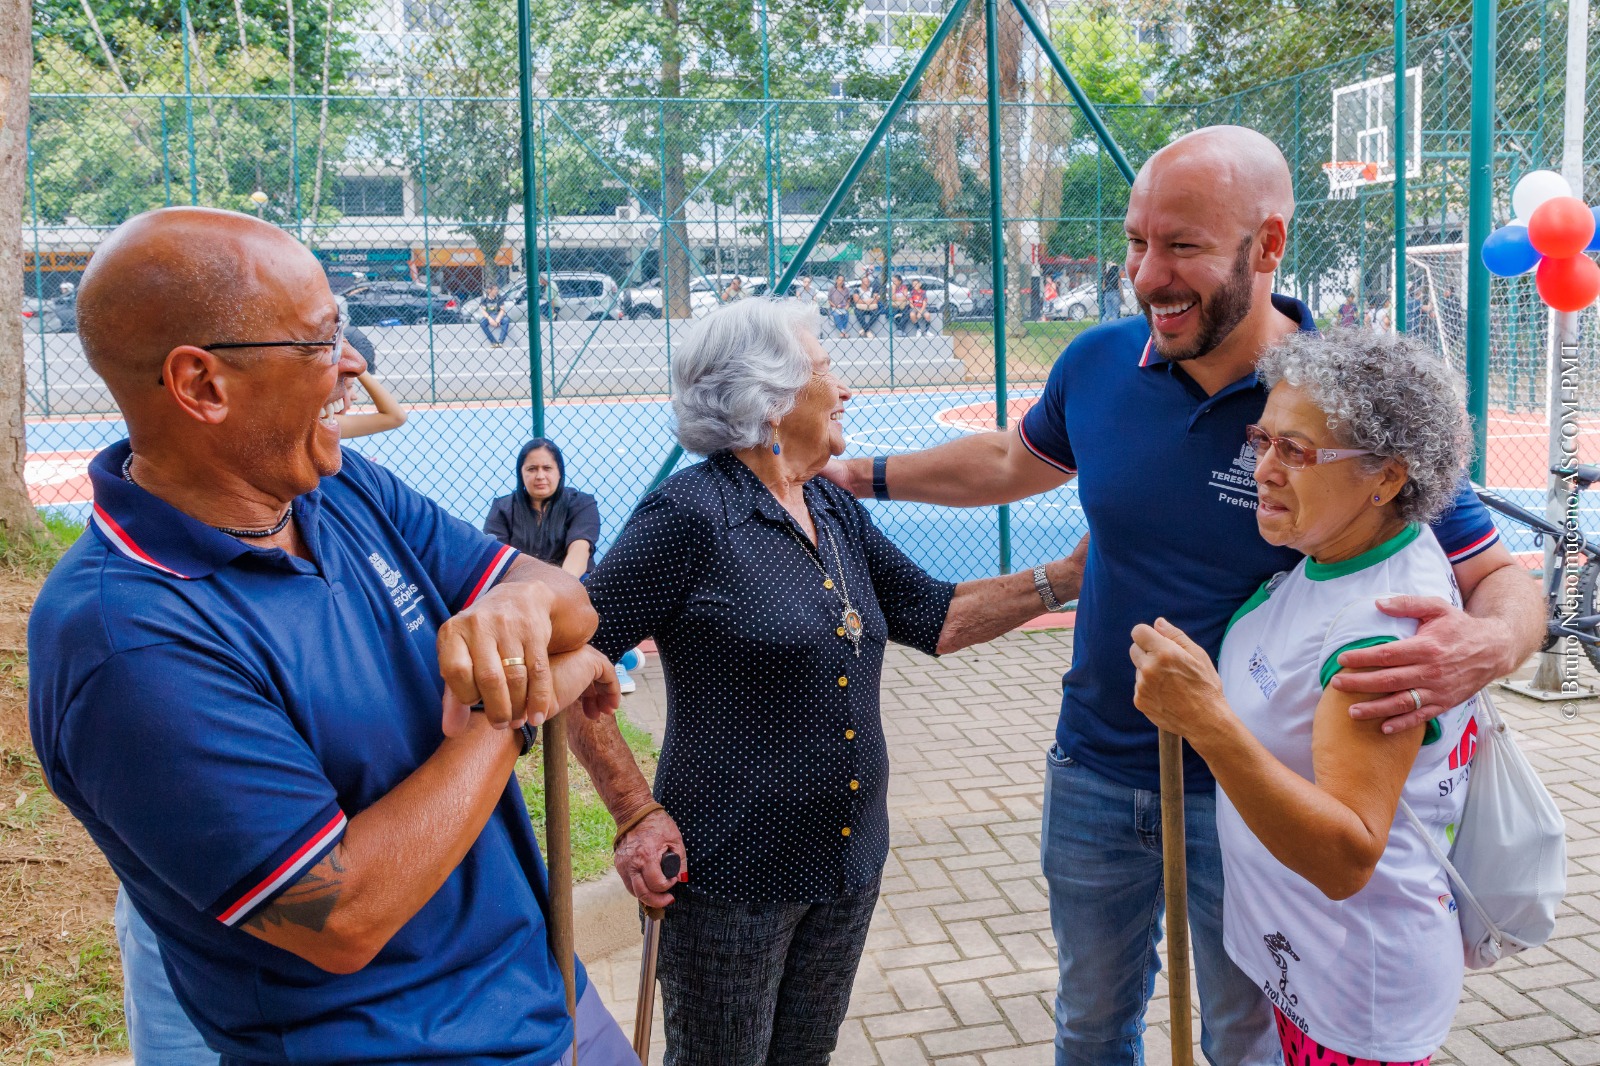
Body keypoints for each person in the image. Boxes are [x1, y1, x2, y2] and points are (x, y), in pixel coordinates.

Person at [822, 126, 1544, 1066]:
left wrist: (1487, 650)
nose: (1149, 274)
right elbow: (1012, 457)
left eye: (1184, 247)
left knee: (1238, 1036)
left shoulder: (1337, 404)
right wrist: (853, 475)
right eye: (1136, 242)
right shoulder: (1099, 362)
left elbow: (1494, 577)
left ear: (1268, 245)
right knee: (1091, 1019)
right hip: (1093, 766)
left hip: (1252, 796)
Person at [28, 206, 636, 1066]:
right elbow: (343, 912)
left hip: (543, 993)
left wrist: (520, 616)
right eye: (318, 341)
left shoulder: (339, 490)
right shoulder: (123, 641)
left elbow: (570, 606)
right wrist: (524, 704)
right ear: (202, 384)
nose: (351, 363)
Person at [570, 297, 1087, 1066]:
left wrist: (1070, 576)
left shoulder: (827, 503)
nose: (844, 390)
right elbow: (572, 660)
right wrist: (634, 810)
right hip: (732, 875)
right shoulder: (690, 515)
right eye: (826, 370)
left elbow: (935, 616)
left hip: (846, 864)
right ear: (772, 399)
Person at [1131, 329, 1475, 1066]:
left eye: (1297, 451)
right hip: (1307, 968)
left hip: (1355, 994)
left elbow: (1347, 855)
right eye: (1264, 440)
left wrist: (1206, 721)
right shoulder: (1340, 555)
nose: (1263, 469)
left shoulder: (1379, 633)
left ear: (1386, 477)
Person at [480, 282, 511, 347]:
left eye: (497, 289)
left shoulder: (499, 297)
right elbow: (483, 311)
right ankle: (493, 342)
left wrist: (498, 319)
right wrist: (490, 320)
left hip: (497, 315)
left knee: (506, 320)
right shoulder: (484, 298)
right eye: (495, 289)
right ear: (489, 290)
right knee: (482, 322)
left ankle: (500, 342)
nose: (497, 291)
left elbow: (502, 310)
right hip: (489, 316)